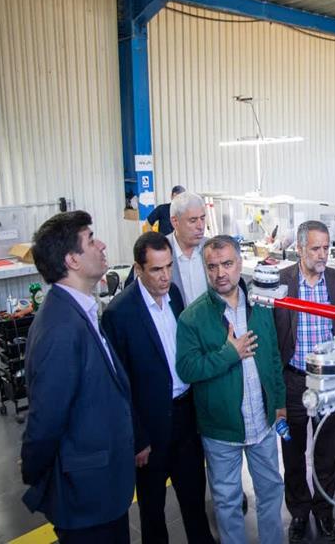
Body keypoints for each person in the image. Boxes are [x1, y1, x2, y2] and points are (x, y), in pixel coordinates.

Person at [21, 211, 134, 543]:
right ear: (72, 260)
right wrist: (35, 473)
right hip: (85, 494)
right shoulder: (60, 327)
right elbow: (45, 420)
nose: (102, 245)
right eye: (90, 240)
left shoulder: (78, 311)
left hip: (103, 487)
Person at [101, 232, 214, 544]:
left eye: (168, 267)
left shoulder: (174, 294)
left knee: (194, 499)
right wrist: (138, 439)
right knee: (152, 511)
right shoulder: (119, 314)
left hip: (185, 417)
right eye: (156, 269)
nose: (165, 276)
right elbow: (119, 386)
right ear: (138, 269)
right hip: (150, 429)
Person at [176, 235, 286, 544]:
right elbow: (187, 369)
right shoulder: (192, 318)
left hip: (262, 423)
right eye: (212, 267)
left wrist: (278, 402)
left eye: (226, 264)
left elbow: (273, 356)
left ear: (239, 263)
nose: (220, 273)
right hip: (221, 431)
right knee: (227, 502)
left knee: (271, 491)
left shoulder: (260, 305)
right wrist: (229, 354)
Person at [274, 221, 335, 543]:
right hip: (294, 380)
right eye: (315, 248)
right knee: (293, 452)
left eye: (326, 248)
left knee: (328, 451)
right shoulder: (282, 282)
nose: (323, 255)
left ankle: (324, 512)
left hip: (329, 381)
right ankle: (299, 512)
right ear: (299, 249)